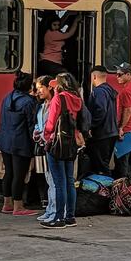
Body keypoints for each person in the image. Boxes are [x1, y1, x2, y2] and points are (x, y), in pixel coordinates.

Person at [41, 73, 83, 229]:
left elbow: (51, 122)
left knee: (59, 183)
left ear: (59, 85)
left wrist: (46, 137)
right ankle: (70, 217)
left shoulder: (59, 99)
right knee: (69, 181)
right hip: (71, 143)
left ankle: (58, 218)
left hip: (57, 143)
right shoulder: (77, 99)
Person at [0, 72, 37, 216]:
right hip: (21, 143)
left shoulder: (8, 97)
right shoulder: (28, 102)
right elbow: (31, 124)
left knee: (9, 173)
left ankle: (7, 204)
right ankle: (18, 206)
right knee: (19, 175)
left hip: (5, 140)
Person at [85, 66, 119, 176]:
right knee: (104, 162)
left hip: (101, 133)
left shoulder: (98, 92)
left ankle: (106, 189)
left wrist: (91, 125)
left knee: (101, 166)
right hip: (111, 132)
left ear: (94, 76)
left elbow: (101, 110)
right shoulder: (110, 90)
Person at [33, 76, 56, 223]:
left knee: (54, 180)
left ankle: (55, 211)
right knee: (48, 178)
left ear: (50, 87)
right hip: (44, 145)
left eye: (41, 87)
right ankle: (50, 209)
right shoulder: (42, 106)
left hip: (53, 146)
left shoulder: (55, 104)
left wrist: (44, 134)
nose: (38, 91)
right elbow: (39, 124)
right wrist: (36, 132)